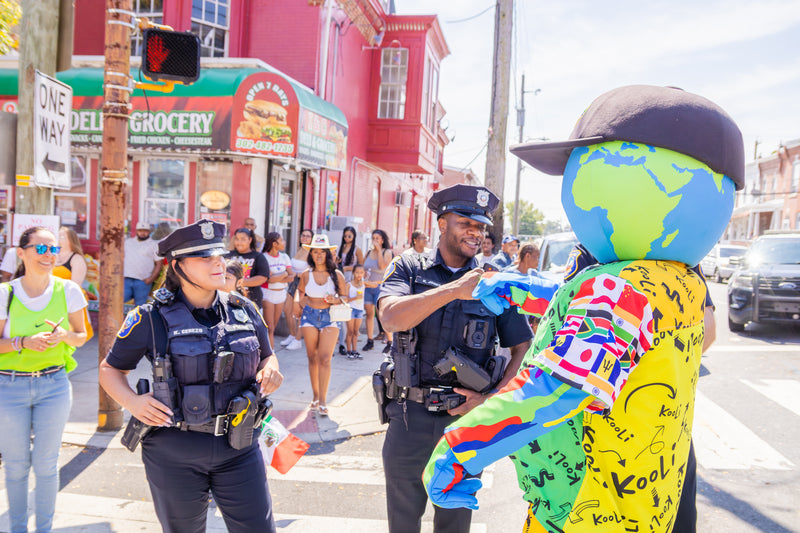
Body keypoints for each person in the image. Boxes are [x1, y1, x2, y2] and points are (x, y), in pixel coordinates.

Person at [421, 85, 744, 533]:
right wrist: (522, 288)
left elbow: (555, 388)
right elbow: (596, 313)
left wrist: (460, 450)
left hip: (584, 512)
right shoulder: (680, 281)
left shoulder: (620, 289)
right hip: (641, 504)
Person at [98, 219, 283, 533]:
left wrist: (270, 369)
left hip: (239, 447)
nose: (218, 262)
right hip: (174, 452)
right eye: (205, 257)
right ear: (177, 266)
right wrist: (133, 402)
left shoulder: (244, 309)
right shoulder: (150, 317)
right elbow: (110, 369)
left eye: (219, 255)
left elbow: (268, 354)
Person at [377, 183, 533, 533]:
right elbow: (390, 317)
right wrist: (453, 291)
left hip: (464, 421)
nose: (476, 233)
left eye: (481, 226)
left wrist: (492, 401)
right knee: (402, 522)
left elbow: (523, 347)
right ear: (442, 223)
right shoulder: (409, 267)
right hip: (409, 416)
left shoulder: (494, 281)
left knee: (455, 523)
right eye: (466, 223)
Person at [0, 226, 88, 533]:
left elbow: (81, 336)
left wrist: (64, 336)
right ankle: (18, 529)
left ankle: (44, 530)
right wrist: (23, 342)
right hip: (9, 387)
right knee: (15, 466)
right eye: (40, 248)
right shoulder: (6, 293)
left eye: (53, 249)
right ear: (21, 253)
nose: (48, 255)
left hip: (54, 386)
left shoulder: (69, 290)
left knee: (47, 465)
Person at [294, 234, 347, 417]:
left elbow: (344, 297)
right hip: (309, 315)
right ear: (311, 254)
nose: (318, 255)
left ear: (327, 254)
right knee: (312, 357)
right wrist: (298, 302)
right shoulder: (306, 274)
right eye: (315, 252)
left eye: (322, 252)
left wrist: (335, 299)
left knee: (325, 358)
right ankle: (315, 397)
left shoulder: (337, 275)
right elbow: (299, 292)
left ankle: (323, 401)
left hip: (330, 317)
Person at [53, 226, 94, 341]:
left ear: (71, 240)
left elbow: (75, 286)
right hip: (51, 300)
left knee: (70, 335)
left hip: (68, 301)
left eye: (62, 237)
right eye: (57, 236)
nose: (58, 239)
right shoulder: (52, 255)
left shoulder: (76, 259)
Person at [262, 232, 295, 350]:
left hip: (281, 294)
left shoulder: (285, 257)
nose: (284, 242)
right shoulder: (264, 257)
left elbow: (292, 276)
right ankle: (270, 351)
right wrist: (284, 273)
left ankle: (268, 349)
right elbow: (269, 279)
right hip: (268, 294)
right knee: (269, 327)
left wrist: (278, 276)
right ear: (274, 244)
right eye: (281, 240)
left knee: (273, 327)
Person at [362, 229, 393, 353]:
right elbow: (363, 267)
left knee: (381, 315)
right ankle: (370, 340)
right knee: (369, 314)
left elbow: (382, 266)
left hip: (380, 287)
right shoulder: (368, 252)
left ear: (382, 240)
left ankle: (390, 341)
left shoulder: (386, 252)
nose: (375, 240)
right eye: (373, 238)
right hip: (368, 286)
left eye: (377, 238)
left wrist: (379, 250)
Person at [281, 230, 312, 351]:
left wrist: (297, 274)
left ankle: (298, 340)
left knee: (301, 313)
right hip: (293, 283)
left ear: (312, 239)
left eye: (308, 236)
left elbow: (311, 271)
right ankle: (292, 335)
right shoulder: (300, 249)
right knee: (287, 310)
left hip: (304, 283)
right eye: (303, 235)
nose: (305, 238)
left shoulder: (311, 252)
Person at [335, 226, 364, 355]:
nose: (347, 238)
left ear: (354, 236)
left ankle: (351, 346)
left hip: (352, 281)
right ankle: (342, 344)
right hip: (341, 281)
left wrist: (348, 269)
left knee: (350, 311)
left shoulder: (357, 249)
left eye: (350, 236)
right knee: (341, 312)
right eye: (345, 235)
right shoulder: (340, 248)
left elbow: (361, 266)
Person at [227, 227, 269, 307]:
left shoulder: (258, 257)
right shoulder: (228, 255)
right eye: (237, 239)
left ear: (250, 240)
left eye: (243, 239)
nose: (239, 242)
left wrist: (238, 282)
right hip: (229, 300)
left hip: (252, 302)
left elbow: (263, 277)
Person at [124, 221, 163, 306]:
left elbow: (159, 264)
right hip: (126, 280)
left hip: (143, 281)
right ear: (136, 231)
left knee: (139, 307)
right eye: (140, 230)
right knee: (120, 304)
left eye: (145, 231)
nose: (142, 233)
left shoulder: (154, 245)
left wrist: (151, 279)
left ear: (149, 232)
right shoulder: (128, 243)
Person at [344, 264, 366, 359]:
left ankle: (354, 350)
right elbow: (345, 299)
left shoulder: (363, 284)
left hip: (360, 310)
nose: (359, 275)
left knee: (356, 332)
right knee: (350, 331)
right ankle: (348, 351)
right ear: (353, 273)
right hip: (350, 309)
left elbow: (375, 284)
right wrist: (356, 297)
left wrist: (365, 282)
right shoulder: (349, 284)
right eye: (357, 272)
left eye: (361, 272)